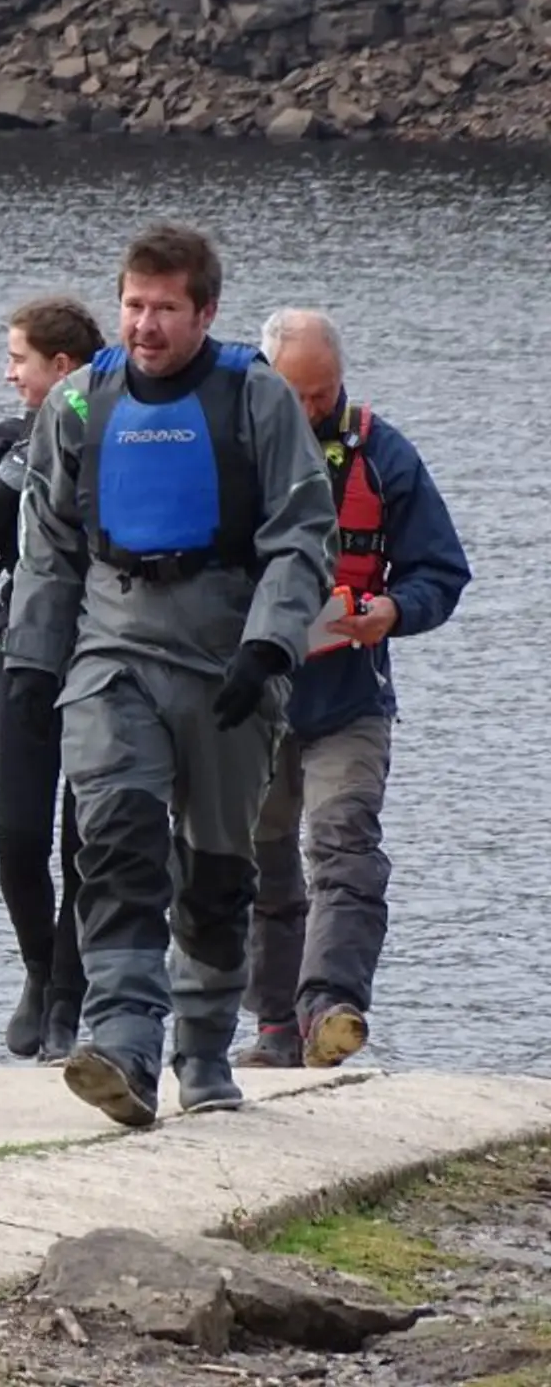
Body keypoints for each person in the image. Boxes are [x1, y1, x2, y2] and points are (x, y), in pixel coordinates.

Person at [2, 223, 339, 1127]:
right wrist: (34, 661)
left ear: (205, 311)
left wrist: (270, 644)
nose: (145, 326)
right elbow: (48, 547)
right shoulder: (78, 405)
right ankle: (118, 1041)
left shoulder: (255, 399)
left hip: (228, 655)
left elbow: (304, 534)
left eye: (164, 309)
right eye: (133, 306)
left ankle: (201, 1044)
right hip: (114, 649)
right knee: (116, 840)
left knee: (217, 869)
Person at [235, 309, 470, 1070]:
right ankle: (272, 1024)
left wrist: (394, 611)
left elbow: (441, 570)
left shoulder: (384, 454)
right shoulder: (229, 449)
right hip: (254, 698)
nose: (307, 413)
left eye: (322, 395)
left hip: (350, 696)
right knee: (253, 860)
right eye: (293, 397)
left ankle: (331, 1009)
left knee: (344, 849)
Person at [0, 297, 105, 1064]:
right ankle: (38, 970)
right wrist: (5, 482)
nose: (9, 375)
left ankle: (70, 993)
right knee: (18, 839)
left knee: (86, 837)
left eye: (19, 360)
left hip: (107, 649)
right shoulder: (6, 439)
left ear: (61, 367)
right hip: (24, 649)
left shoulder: (115, 436)